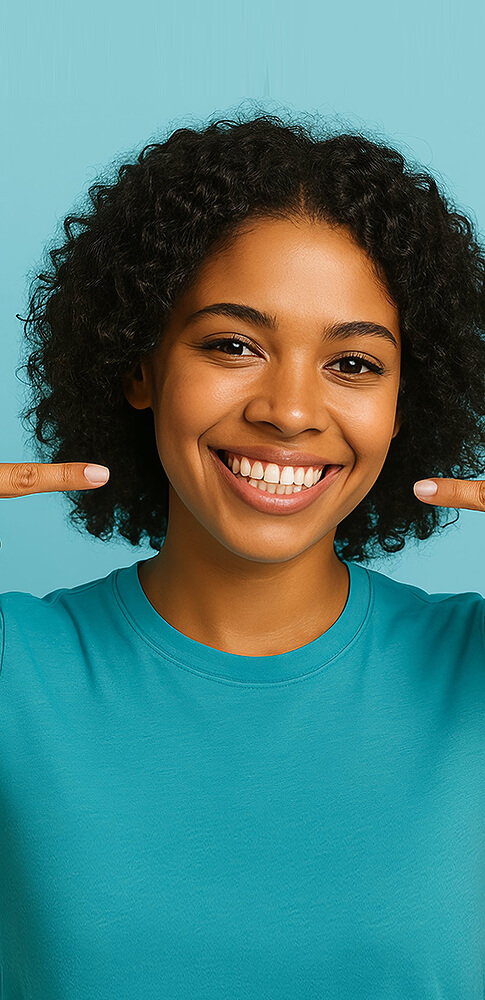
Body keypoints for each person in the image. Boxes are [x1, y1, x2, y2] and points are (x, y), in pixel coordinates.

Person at [1, 111, 485, 999]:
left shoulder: (473, 671)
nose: (291, 409)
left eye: (354, 364)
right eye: (233, 345)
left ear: (405, 405)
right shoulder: (14, 672)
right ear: (138, 366)